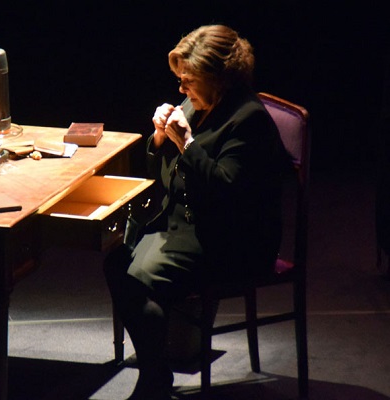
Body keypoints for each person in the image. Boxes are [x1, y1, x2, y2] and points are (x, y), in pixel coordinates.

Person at [104, 24, 288, 399]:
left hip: (232, 240)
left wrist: (187, 143)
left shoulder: (248, 120)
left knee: (139, 281)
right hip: (190, 225)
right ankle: (157, 371)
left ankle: (154, 380)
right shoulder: (197, 106)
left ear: (217, 78)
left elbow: (226, 191)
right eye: (180, 80)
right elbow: (167, 176)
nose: (181, 90)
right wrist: (160, 139)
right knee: (116, 262)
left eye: (188, 80)